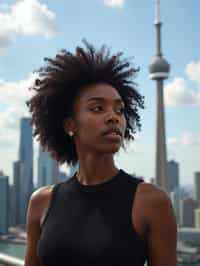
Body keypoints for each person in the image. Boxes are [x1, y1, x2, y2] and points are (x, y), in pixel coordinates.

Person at [24, 40, 177, 266]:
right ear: (69, 125)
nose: (113, 117)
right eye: (98, 108)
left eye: (119, 109)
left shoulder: (151, 202)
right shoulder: (41, 201)